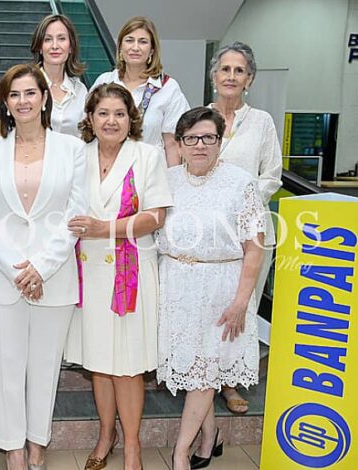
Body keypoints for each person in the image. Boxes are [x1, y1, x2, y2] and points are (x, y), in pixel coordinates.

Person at [0, 64, 87, 470]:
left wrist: (40, 267)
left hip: (53, 276)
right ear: (5, 103)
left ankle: (37, 440)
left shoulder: (72, 148)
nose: (22, 101)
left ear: (44, 98)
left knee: (45, 366)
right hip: (3, 277)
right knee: (5, 367)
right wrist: (18, 270)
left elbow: (75, 213)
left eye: (30, 93)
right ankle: (13, 448)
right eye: (14, 94)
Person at [64, 84, 172, 470]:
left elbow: (155, 217)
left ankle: (131, 447)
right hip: (88, 271)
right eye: (103, 113)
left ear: (131, 119)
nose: (111, 121)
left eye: (119, 114)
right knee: (99, 360)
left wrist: (104, 229)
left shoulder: (147, 156)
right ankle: (105, 435)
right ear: (90, 119)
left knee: (127, 365)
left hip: (131, 273)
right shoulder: (76, 156)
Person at [156, 107, 265, 470]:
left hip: (221, 290)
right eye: (191, 138)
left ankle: (180, 453)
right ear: (179, 144)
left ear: (220, 141)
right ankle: (210, 436)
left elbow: (254, 248)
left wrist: (241, 302)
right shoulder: (167, 181)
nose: (200, 145)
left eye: (208, 137)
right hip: (176, 288)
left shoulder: (241, 182)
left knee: (204, 373)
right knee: (197, 372)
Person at [207, 41, 283, 416]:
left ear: (249, 79)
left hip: (250, 230)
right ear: (214, 76)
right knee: (209, 302)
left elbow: (272, 174)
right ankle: (204, 374)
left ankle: (230, 382)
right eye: (225, 69)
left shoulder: (262, 122)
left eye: (239, 71)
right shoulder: (199, 118)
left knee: (243, 302)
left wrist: (244, 204)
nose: (231, 76)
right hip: (206, 230)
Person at [91, 17, 189, 166]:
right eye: (129, 40)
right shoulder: (104, 82)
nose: (135, 47)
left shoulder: (168, 87)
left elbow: (172, 144)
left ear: (152, 50)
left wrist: (173, 178)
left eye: (143, 42)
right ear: (120, 47)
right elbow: (89, 129)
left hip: (150, 170)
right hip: (108, 168)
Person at [30, 14, 88, 138]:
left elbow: (85, 135)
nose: (55, 46)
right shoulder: (27, 85)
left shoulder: (80, 90)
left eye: (61, 39)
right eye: (48, 39)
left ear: (71, 47)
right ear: (40, 47)